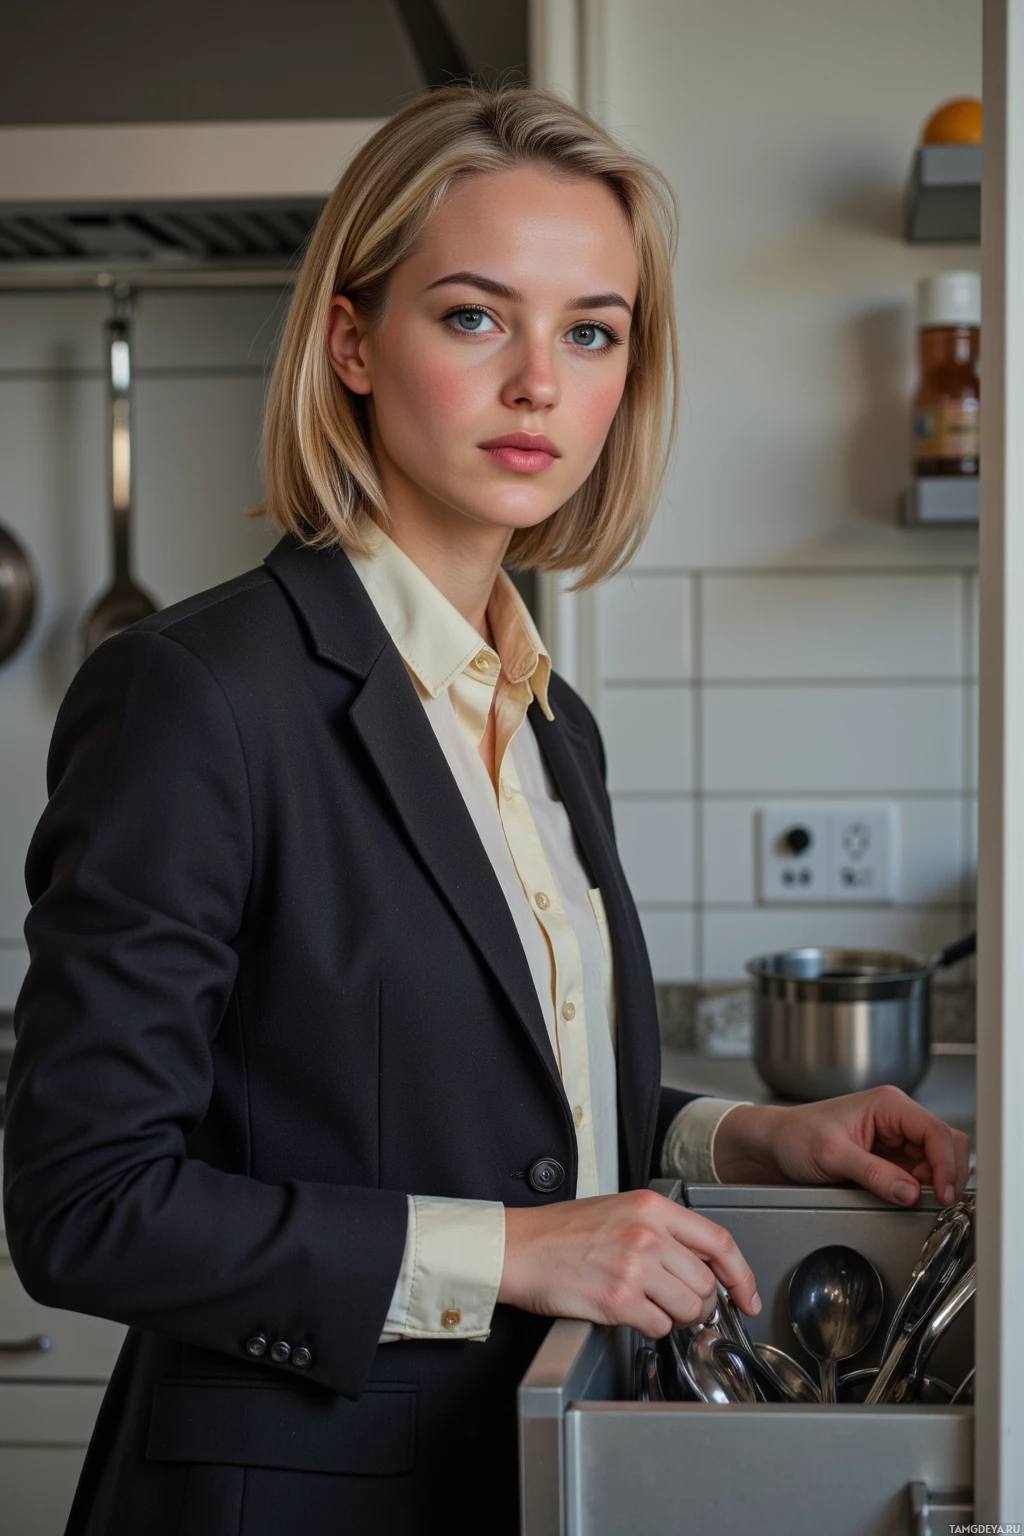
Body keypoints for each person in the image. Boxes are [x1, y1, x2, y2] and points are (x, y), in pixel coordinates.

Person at [2, 83, 971, 1536]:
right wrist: (516, 1255)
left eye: (591, 329)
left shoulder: (546, 717)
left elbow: (486, 1109)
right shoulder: (197, 693)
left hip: (517, 1474)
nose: (540, 382)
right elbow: (85, 1203)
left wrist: (746, 1140)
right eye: (474, 316)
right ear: (351, 341)